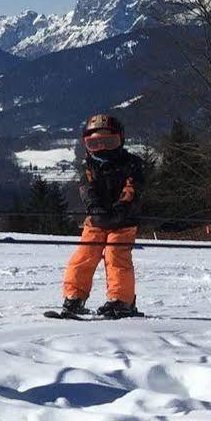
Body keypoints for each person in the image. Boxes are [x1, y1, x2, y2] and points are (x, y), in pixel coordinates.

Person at [56, 112, 145, 319]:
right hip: (96, 220)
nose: (103, 149)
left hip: (123, 221)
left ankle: (122, 300)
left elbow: (133, 188)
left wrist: (122, 207)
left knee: (116, 256)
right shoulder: (89, 166)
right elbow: (87, 188)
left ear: (120, 141)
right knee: (85, 255)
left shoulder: (131, 163)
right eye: (95, 144)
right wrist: (95, 207)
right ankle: (74, 297)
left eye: (109, 142)